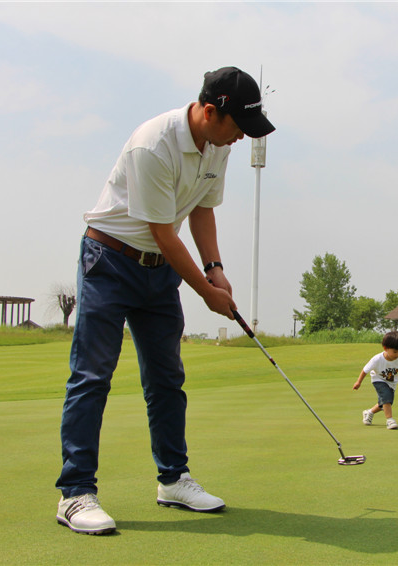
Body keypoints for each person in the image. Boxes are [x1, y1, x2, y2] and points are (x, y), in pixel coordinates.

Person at [55, 66, 275, 535]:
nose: (240, 138)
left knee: (167, 379)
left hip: (158, 272)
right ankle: (75, 493)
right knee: (93, 376)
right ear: (210, 111)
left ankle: (173, 479)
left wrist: (216, 269)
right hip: (110, 261)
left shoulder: (218, 145)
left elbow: (201, 209)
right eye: (237, 126)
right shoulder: (152, 143)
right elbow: (161, 232)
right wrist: (206, 293)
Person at [352, 331, 398, 430]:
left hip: (391, 383)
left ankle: (369, 412)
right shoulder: (377, 359)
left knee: (385, 403)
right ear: (385, 348)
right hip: (378, 380)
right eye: (395, 352)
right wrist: (358, 382)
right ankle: (390, 420)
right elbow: (365, 370)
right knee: (386, 397)